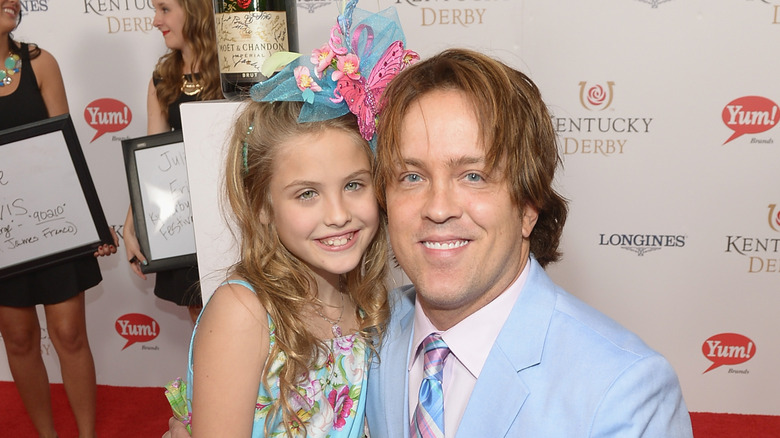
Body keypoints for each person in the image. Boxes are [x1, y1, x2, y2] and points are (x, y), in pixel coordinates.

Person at [365, 48, 694, 437]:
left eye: (473, 176)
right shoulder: (363, 338)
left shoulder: (623, 392)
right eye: (412, 177)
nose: (438, 209)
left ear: (528, 206)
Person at [164, 2, 415, 436]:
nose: (338, 215)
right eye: (306, 194)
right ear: (262, 205)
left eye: (354, 185)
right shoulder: (244, 314)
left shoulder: (370, 304)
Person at [0, 2, 118, 437]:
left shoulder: (39, 62)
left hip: (54, 225)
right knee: (18, 339)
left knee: (69, 334)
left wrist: (92, 222)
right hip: (3, 236)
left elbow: (66, 149)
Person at [123, 0, 221, 323]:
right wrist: (133, 223)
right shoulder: (162, 78)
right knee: (202, 319)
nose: (155, 21)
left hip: (233, 218)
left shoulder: (235, 68)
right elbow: (151, 160)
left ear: (194, 9)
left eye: (164, 9)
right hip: (185, 223)